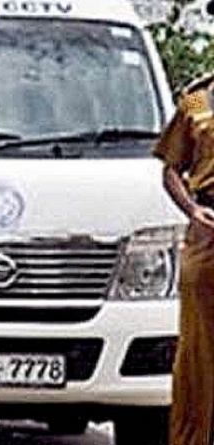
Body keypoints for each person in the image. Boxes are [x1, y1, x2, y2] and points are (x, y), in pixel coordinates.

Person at [155, 70, 214, 445]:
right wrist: (192, 210)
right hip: (208, 235)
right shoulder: (197, 98)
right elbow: (171, 169)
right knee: (197, 352)